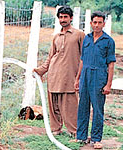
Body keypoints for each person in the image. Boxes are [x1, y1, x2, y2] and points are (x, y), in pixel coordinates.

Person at [33, 6, 85, 136]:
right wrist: (41, 70)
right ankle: (56, 129)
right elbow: (51, 57)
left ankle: (75, 131)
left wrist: (81, 76)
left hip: (70, 76)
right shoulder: (56, 36)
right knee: (53, 104)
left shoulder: (79, 35)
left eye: (65, 17)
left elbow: (85, 57)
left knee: (70, 105)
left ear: (71, 18)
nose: (62, 19)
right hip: (54, 74)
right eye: (60, 17)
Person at [74, 11, 116, 149]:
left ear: (104, 24)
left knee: (97, 109)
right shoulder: (86, 38)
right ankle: (81, 137)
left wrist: (108, 84)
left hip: (99, 77)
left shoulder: (109, 41)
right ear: (91, 23)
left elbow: (111, 64)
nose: (97, 25)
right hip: (85, 75)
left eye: (100, 22)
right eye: (95, 22)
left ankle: (96, 139)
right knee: (83, 107)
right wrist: (78, 78)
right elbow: (82, 60)